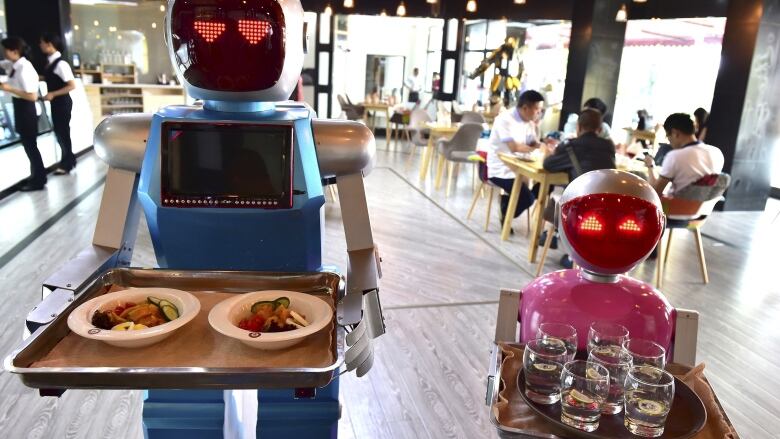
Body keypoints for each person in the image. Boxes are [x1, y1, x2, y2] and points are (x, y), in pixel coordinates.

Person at [541, 109, 617, 268]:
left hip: (580, 208)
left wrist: (550, 152)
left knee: (558, 195)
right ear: (600, 129)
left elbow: (548, 165)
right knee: (563, 193)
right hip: (607, 205)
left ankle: (555, 238)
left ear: (578, 126)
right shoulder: (609, 146)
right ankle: (556, 237)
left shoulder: (570, 146)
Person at [485, 89, 544, 228]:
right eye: (537, 109)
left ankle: (507, 203)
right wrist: (537, 148)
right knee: (528, 198)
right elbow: (514, 147)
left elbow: (533, 143)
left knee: (546, 187)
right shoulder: (504, 120)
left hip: (521, 168)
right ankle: (506, 211)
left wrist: (544, 145)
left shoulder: (529, 123)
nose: (539, 113)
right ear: (525, 108)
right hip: (501, 169)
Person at [1, 36, 45, 191]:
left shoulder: (25, 68)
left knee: (31, 146)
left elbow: (32, 96)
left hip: (27, 109)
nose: (4, 53)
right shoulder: (14, 65)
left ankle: (39, 179)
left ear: (14, 51)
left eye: (6, 50)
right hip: (21, 107)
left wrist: (9, 89)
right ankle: (36, 176)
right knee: (28, 146)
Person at [644, 112, 724, 197]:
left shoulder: (675, 156)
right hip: (701, 208)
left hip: (674, 207)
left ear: (675, 133)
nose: (668, 140)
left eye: (667, 135)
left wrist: (650, 166)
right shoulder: (717, 152)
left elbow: (654, 192)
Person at [40, 32, 77, 174]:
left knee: (63, 132)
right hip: (57, 103)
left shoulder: (61, 64)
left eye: (42, 42)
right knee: (61, 132)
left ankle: (68, 163)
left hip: (62, 103)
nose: (40, 45)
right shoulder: (51, 62)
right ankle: (68, 160)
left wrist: (53, 94)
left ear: (50, 44)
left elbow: (71, 85)